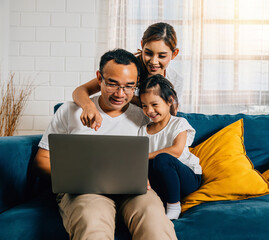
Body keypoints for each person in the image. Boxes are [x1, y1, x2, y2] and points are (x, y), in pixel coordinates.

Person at [33, 49, 177, 240]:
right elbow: (42, 159)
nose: (120, 93)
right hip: (84, 191)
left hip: (134, 191)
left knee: (155, 223)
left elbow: (172, 137)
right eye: (112, 84)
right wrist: (79, 177)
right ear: (99, 78)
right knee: (92, 223)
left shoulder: (145, 115)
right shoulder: (70, 111)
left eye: (128, 86)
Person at [73, 22, 182, 131]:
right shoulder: (129, 70)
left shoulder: (175, 80)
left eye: (162, 56)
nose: (154, 61)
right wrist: (89, 107)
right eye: (148, 53)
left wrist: (133, 99)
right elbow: (80, 91)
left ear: (174, 54)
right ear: (142, 45)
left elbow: (171, 113)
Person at [138, 74, 202, 220]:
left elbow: (177, 151)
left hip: (187, 179)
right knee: (144, 166)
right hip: (162, 182)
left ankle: (174, 206)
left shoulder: (179, 123)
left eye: (154, 105)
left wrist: (145, 156)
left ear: (169, 101)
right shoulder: (142, 130)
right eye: (144, 106)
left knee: (162, 159)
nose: (149, 111)